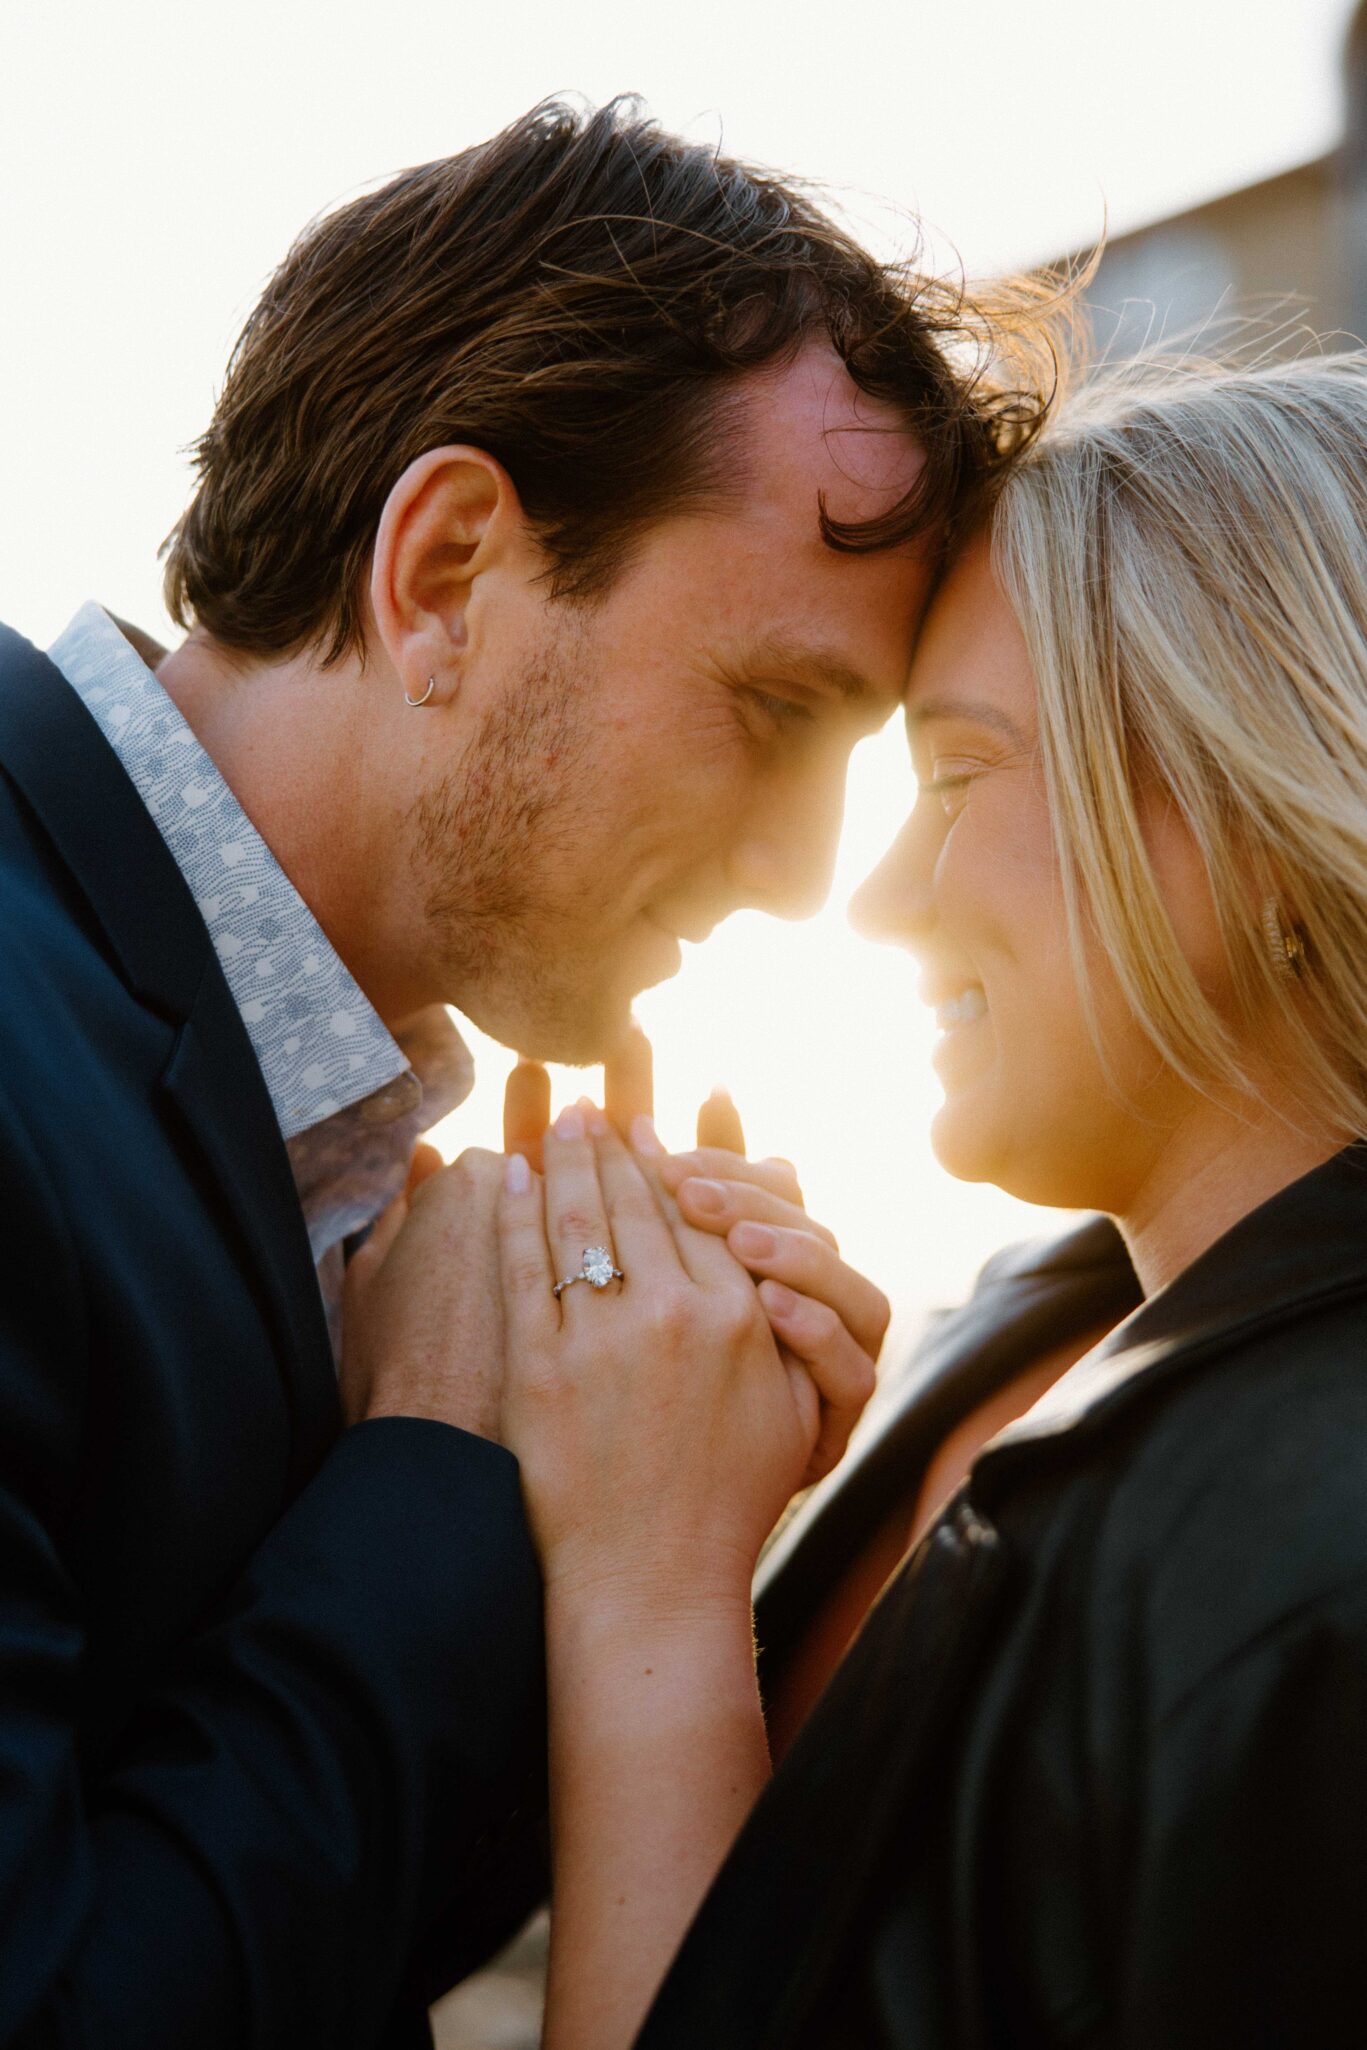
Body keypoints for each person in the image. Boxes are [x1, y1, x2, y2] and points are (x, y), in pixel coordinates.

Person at [0, 99, 1044, 2048]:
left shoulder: (311, 1128)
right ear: (451, 565)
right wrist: (438, 1484)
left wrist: (639, 1521)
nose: (811, 871)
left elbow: (310, 1925)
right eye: (778, 710)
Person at [479, 344, 1367, 2047]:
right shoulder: (1037, 1327)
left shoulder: (1322, 1566)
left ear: (1254, 802)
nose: (875, 898)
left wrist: (652, 1586)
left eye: (956, 779)